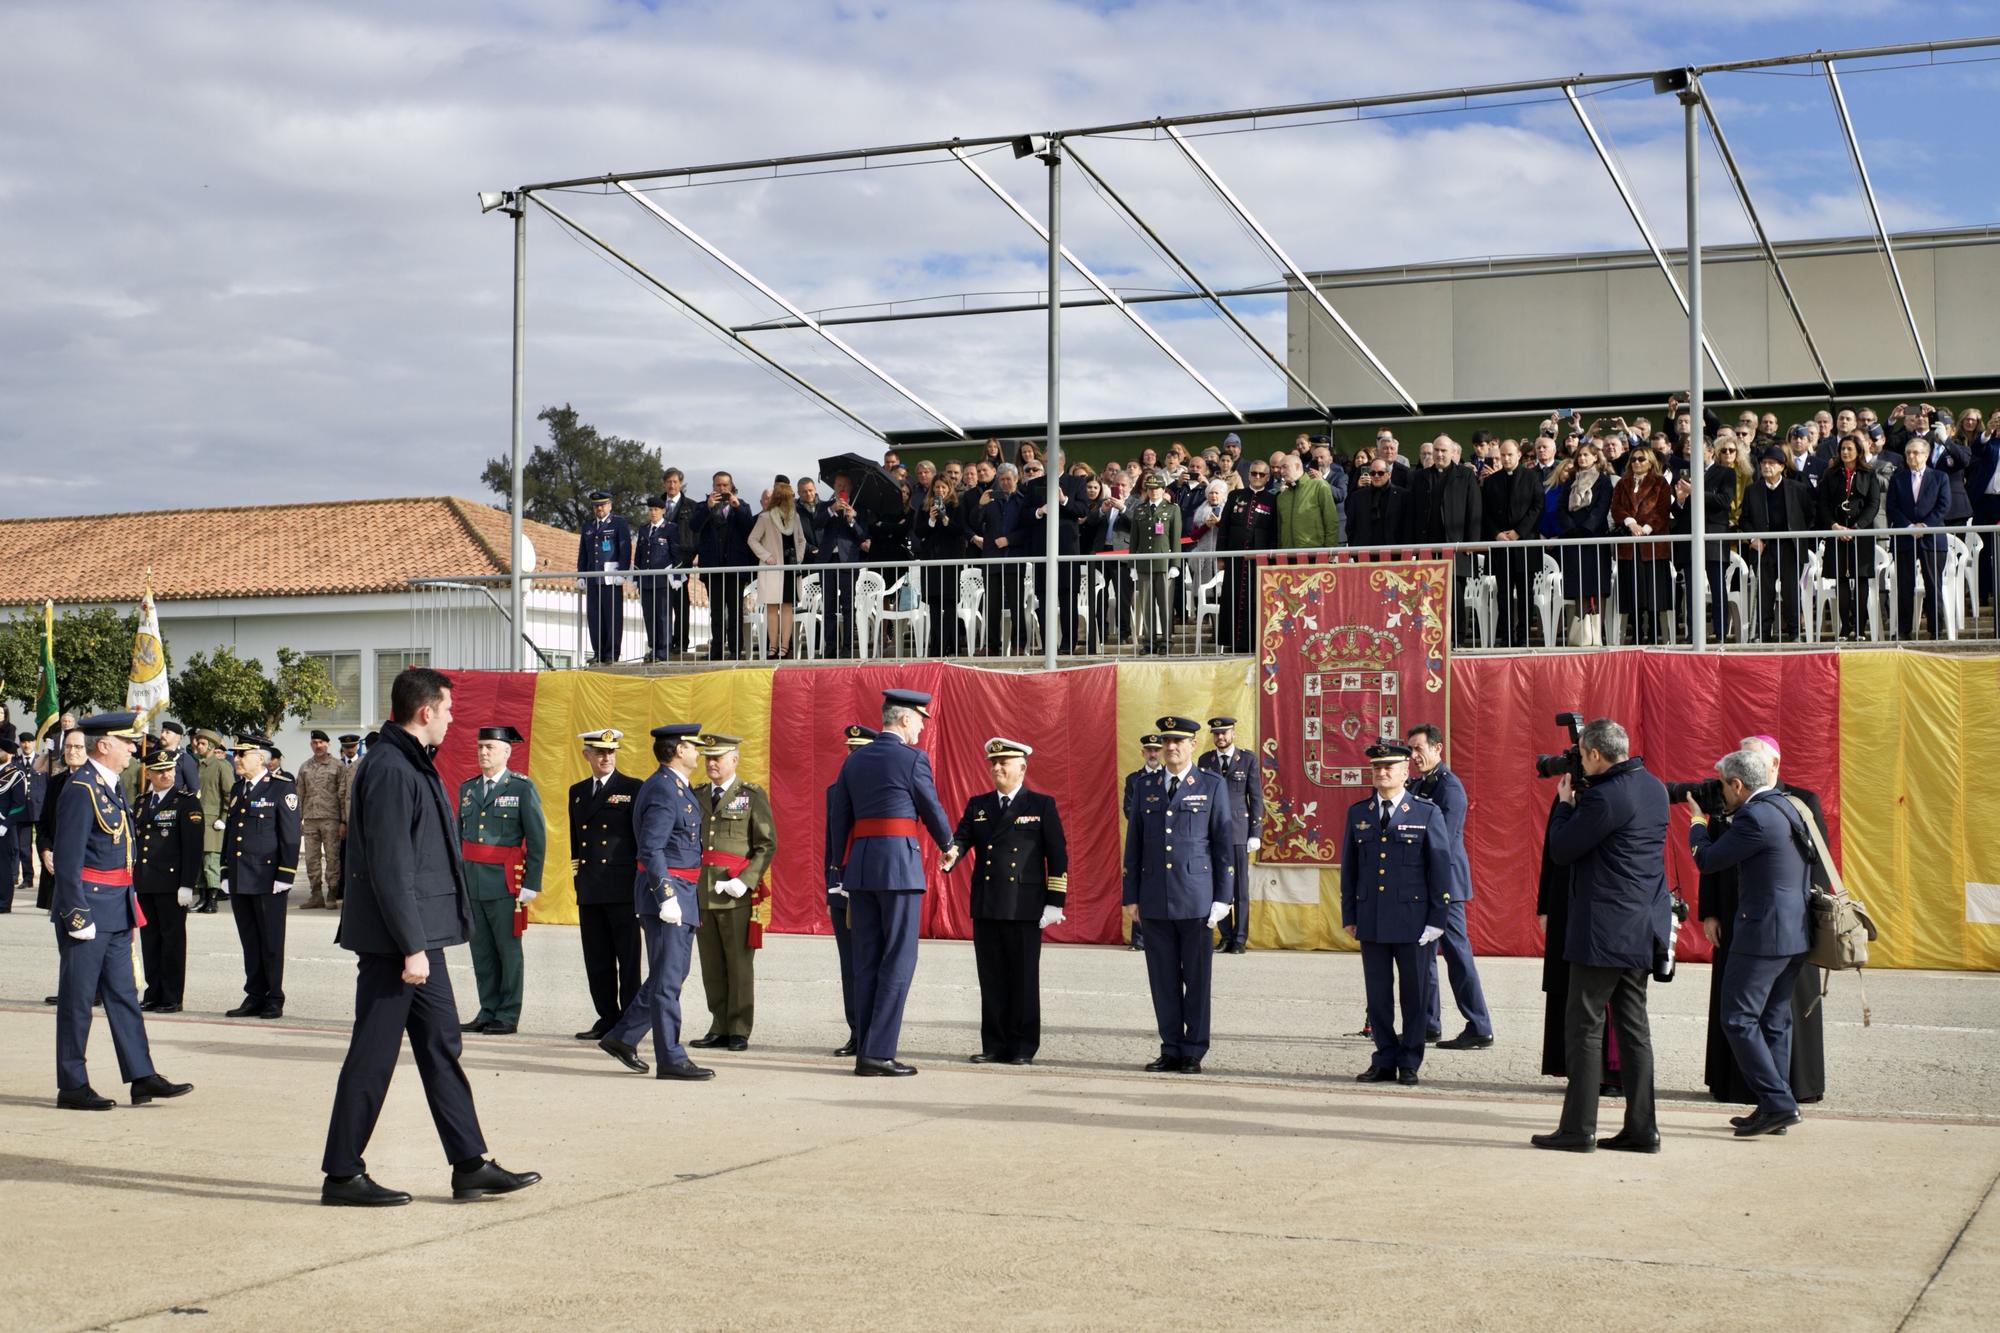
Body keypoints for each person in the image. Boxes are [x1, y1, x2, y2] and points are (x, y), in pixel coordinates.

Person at [321, 667, 539, 1206]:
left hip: (421, 940)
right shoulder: (393, 769)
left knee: (441, 1045)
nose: (451, 718)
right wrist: (413, 947)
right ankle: (343, 1173)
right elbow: (393, 869)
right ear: (425, 712)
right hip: (399, 945)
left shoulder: (409, 762)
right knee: (372, 1054)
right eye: (446, 710)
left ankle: (469, 1164)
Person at [1531, 718, 1668, 1154]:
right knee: (1633, 1030)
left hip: (1602, 930)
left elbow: (1563, 850)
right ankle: (1643, 1129)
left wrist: (1567, 805)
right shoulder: (1653, 787)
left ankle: (1578, 1129)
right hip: (1641, 926)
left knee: (1585, 1028)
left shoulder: (1605, 796)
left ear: (1592, 754)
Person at [50, 711, 194, 1111]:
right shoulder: (82, 788)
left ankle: (141, 1075)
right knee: (78, 1001)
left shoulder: (109, 786)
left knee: (125, 996)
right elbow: (67, 859)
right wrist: (75, 913)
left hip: (116, 908)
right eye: (128, 741)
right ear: (105, 745)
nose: (135, 748)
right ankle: (72, 1084)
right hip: (90, 911)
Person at [1695, 734, 1828, 1107]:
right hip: (1763, 922)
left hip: (1766, 927)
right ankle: (1772, 1102)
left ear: (1772, 765)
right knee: (1771, 1019)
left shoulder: (1767, 809)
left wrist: (1694, 820)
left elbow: (1707, 860)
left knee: (1742, 1018)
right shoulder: (1767, 805)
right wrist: (1710, 911)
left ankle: (1782, 1098)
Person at [828, 688, 953, 1076]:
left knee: (865, 959)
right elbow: (929, 805)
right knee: (898, 958)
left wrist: (838, 864)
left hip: (861, 868)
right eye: (919, 720)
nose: (920, 727)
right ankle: (878, 1052)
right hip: (898, 866)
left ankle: (866, 1045)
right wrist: (948, 843)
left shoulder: (855, 761)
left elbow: (838, 817)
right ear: (904, 719)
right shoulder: (913, 758)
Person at [597, 722, 715, 1082]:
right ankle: (671, 1058)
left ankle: (622, 1037)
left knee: (672, 973)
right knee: (667, 981)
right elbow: (652, 848)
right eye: (694, 746)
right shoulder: (664, 790)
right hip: (669, 891)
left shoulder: (674, 787)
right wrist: (666, 895)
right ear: (680, 749)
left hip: (682, 889)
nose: (698, 751)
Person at [942, 737, 1069, 1066]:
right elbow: (962, 838)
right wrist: (951, 854)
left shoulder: (1041, 805)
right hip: (988, 903)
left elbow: (1057, 856)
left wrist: (1055, 902)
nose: (996, 768)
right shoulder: (979, 805)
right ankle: (994, 1044)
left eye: (1004, 763)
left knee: (1024, 978)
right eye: (993, 763)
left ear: (1022, 768)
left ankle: (1023, 1046)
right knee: (992, 977)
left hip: (1024, 905)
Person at [1122, 715, 1235, 1074]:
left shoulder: (1212, 785)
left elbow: (1222, 844)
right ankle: (1170, 1047)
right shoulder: (1145, 786)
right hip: (1155, 897)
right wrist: (1131, 894)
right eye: (1167, 741)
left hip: (1197, 899)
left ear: (1193, 746)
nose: (1171, 748)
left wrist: (1223, 897)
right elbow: (1135, 843)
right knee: (1163, 979)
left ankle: (1193, 1050)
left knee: (1197, 979)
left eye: (1179, 742)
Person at [1340, 741, 1452, 1086]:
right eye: (1377, 768)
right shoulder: (1359, 813)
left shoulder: (1425, 812)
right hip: (1371, 916)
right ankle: (1384, 1057)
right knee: (1378, 997)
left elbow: (1440, 869)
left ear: (1406, 771)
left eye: (1390, 767)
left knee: (1415, 995)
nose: (1382, 773)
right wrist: (1349, 913)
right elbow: (1350, 868)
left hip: (1413, 919)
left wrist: (1437, 919)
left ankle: (1410, 1060)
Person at [1407, 724, 1493, 1050]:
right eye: (1411, 750)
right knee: (1421, 957)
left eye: (1420, 749)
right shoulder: (1417, 786)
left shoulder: (1450, 788)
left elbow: (1441, 840)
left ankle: (1480, 1026)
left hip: (1447, 887)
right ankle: (1428, 1025)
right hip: (1421, 886)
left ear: (1437, 748)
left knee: (1457, 956)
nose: (1415, 756)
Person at [687, 734, 776, 1052]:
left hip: (734, 890)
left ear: (734, 760)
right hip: (701, 890)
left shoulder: (750, 795)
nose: (711, 763)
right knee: (711, 963)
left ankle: (739, 1028)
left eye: (719, 758)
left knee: (738, 963)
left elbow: (766, 844)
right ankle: (718, 1025)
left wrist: (747, 879)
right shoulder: (695, 794)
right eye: (708, 758)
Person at [457, 725, 545, 1037]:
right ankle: (487, 1009)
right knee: (481, 951)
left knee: (508, 951)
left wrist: (531, 883)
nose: (483, 752)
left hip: (506, 883)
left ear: (506, 752)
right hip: (472, 881)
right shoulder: (467, 789)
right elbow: (459, 839)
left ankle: (508, 1013)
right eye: (480, 746)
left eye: (490, 747)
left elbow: (537, 838)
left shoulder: (521, 788)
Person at [568, 729, 643, 1040]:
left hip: (622, 887)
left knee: (627, 959)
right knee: (596, 958)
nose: (606, 757)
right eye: (599, 752)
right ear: (587, 755)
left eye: (611, 751)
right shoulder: (578, 791)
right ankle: (606, 1016)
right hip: (590, 887)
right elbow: (576, 840)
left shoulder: (632, 788)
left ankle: (628, 1019)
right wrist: (578, 878)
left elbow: (640, 838)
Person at [220, 734, 300, 1020]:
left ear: (260, 757)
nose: (236, 759)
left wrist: (286, 874)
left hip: (269, 879)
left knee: (271, 942)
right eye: (236, 754)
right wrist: (225, 870)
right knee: (250, 940)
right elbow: (232, 833)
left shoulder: (281, 788)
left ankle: (274, 997)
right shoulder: (237, 789)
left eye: (242, 755)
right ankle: (254, 994)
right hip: (242, 877)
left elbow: (291, 836)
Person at [133, 748, 204, 1012]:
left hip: (172, 885)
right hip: (145, 882)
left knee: (172, 941)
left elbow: (193, 847)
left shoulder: (186, 802)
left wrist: (187, 884)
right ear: (149, 773)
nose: (167, 774)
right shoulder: (141, 802)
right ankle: (153, 992)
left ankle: (172, 996)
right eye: (160, 771)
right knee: (150, 940)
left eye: (170, 769)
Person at [824, 724, 875, 1056]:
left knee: (872, 962)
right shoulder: (834, 791)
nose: (852, 756)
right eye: (850, 751)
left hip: (871, 887)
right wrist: (830, 888)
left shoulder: (880, 791)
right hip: (842, 888)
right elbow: (831, 844)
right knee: (849, 965)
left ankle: (875, 1033)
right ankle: (856, 1032)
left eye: (860, 751)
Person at [1197, 716, 1261, 954]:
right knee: (1218, 884)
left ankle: (1240, 938)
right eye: (1216, 734)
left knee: (1239, 888)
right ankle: (1224, 936)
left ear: (1233, 733)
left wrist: (1255, 832)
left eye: (1224, 733)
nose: (1220, 737)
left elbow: (1255, 798)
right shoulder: (1205, 760)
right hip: (1212, 833)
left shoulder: (1247, 759)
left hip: (1238, 832)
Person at [1740, 447, 1814, 643]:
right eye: (1764, 463)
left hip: (1790, 547)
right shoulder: (1752, 490)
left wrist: (1799, 535)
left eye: (1771, 463)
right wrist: (1753, 538)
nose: (1766, 466)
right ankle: (1763, 634)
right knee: (1765, 592)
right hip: (1764, 547)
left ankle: (1795, 632)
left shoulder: (1797, 489)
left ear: (1782, 466)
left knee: (1791, 591)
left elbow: (1810, 516)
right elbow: (1744, 519)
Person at [1817, 433, 1883, 639]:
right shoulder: (1830, 474)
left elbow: (1873, 504)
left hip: (1860, 534)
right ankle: (1845, 628)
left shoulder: (1869, 474)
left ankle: (1860, 629)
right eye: (1842, 449)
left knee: (1861, 580)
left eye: (1849, 449)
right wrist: (1834, 526)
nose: (1845, 452)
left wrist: (1857, 527)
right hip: (1837, 532)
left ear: (1858, 451)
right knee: (1842, 580)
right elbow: (1823, 504)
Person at [1886, 435, 1951, 640]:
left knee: (1933, 584)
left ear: (1926, 455)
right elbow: (1892, 507)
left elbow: (1943, 506)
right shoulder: (1898, 478)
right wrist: (1908, 527)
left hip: (1931, 538)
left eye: (1915, 452)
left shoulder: (1940, 477)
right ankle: (1904, 630)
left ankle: (1936, 629)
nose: (1911, 456)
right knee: (1904, 586)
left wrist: (1924, 525)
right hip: (1905, 538)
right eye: (1908, 453)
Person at [1483, 438, 1545, 647]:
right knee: (1504, 594)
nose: (1506, 458)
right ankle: (1507, 637)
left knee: (1526, 593)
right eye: (1502, 455)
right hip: (1501, 546)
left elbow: (1537, 506)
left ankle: (1524, 636)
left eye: (1510, 454)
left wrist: (1519, 532)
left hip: (1524, 544)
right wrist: (1497, 533)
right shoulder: (1491, 481)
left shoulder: (1532, 477)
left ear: (1519, 455)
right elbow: (1485, 512)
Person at [1610, 443, 1673, 644]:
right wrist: (1631, 523)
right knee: (1632, 592)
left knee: (1653, 593)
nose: (1636, 462)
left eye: (1641, 459)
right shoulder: (1623, 483)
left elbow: (1662, 511)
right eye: (1634, 459)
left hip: (1652, 544)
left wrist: (1645, 529)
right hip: (1629, 545)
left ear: (1650, 462)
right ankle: (1636, 635)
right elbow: (1616, 508)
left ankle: (1654, 635)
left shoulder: (1660, 483)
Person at [1557, 438, 1614, 646]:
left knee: (1596, 585)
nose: (1582, 458)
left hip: (1595, 538)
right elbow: (1561, 508)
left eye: (1586, 455)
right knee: (1578, 585)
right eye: (1579, 455)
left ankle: (1597, 633)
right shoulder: (1570, 481)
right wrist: (1571, 528)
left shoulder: (1603, 480)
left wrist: (1586, 528)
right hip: (1573, 540)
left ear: (1595, 458)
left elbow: (1601, 508)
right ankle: (1582, 631)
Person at [748, 478, 807, 659]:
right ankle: (773, 647)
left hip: (790, 569)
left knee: (787, 607)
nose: (792, 500)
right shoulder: (765, 517)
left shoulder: (794, 517)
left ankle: (785, 646)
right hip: (772, 570)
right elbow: (752, 540)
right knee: (772, 608)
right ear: (781, 498)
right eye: (789, 497)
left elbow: (801, 540)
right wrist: (767, 557)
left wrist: (799, 557)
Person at [1126, 472, 1180, 655]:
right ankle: (1149, 642)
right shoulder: (1139, 509)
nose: (1153, 491)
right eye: (1150, 488)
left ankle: (1166, 640)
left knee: (1165, 604)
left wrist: (1175, 564)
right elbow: (1134, 540)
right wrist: (1132, 564)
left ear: (1163, 489)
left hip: (1164, 564)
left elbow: (1176, 540)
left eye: (1157, 488)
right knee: (1146, 604)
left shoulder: (1172, 509)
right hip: (1143, 564)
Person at [576, 488, 633, 665]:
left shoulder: (618, 523)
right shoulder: (588, 527)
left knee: (612, 616)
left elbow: (625, 549)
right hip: (594, 578)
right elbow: (583, 553)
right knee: (595, 617)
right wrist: (581, 574)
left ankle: (612, 653)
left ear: (609, 505)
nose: (599, 509)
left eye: (602, 505)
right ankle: (598, 652)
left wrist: (622, 572)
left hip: (611, 578)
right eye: (596, 506)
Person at [1121, 734, 1165, 952]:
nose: (1153, 754)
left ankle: (1161, 938)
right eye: (1149, 750)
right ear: (1143, 753)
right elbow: (1129, 809)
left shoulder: (1169, 777)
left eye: (1157, 750)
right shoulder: (1134, 779)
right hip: (1142, 837)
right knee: (1139, 884)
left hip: (1164, 840)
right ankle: (1138, 939)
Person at [295, 729, 344, 910]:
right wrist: (297, 819)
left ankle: (331, 893)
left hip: (331, 818)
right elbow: (299, 794)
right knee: (311, 858)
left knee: (332, 858)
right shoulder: (305, 767)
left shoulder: (338, 766)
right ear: (311, 745)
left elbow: (343, 795)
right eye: (315, 743)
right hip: (310, 819)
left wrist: (343, 821)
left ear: (327, 744)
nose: (318, 746)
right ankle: (316, 894)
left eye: (321, 743)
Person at [634, 493, 680, 662]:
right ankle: (654, 648)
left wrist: (676, 575)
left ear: (663, 510)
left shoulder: (670, 528)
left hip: (662, 580)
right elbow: (639, 555)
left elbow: (676, 554)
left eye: (656, 509)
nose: (653, 512)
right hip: (646, 581)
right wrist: (636, 577)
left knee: (663, 616)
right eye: (651, 509)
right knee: (649, 615)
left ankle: (664, 649)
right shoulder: (644, 529)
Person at [192, 728, 232, 913]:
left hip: (213, 820)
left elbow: (229, 794)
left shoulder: (221, 766)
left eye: (202, 744)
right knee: (198, 862)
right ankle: (202, 898)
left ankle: (213, 899)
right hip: (196, 819)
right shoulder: (196, 765)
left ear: (212, 746)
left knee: (211, 862)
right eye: (198, 742)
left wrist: (223, 817)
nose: (198, 746)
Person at [1276, 452, 1340, 551]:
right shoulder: (1282, 497)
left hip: (1314, 553)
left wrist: (1330, 550)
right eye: (1280, 468)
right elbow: (1280, 530)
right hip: (1287, 555)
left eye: (1285, 467)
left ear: (1297, 466)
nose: (1281, 471)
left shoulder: (1319, 487)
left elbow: (1331, 521)